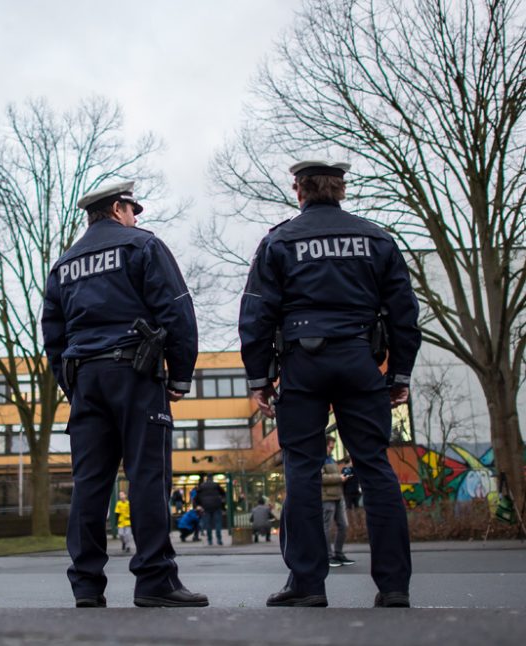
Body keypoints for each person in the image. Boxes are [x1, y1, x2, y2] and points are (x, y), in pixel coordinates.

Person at [239, 160, 421, 608]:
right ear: (341, 190)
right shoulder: (376, 238)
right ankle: (394, 586)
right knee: (375, 468)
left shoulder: (279, 240)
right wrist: (398, 375)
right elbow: (404, 312)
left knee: (302, 469)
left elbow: (257, 313)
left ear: (298, 190)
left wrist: (260, 377)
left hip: (302, 363)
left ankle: (307, 585)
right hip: (360, 360)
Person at [42, 180, 207, 609]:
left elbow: (53, 334)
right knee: (147, 475)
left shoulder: (64, 263)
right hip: (134, 372)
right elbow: (176, 309)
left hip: (85, 379)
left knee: (90, 483)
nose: (136, 218)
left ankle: (86, 586)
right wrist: (180, 375)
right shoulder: (142, 246)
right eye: (133, 209)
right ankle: (155, 579)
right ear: (118, 208)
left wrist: (70, 382)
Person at [322, 437, 354, 567]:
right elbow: (321, 477)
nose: (331, 449)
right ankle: (328, 556)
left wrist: (345, 471)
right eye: (330, 447)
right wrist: (339, 478)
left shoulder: (332, 459)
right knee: (326, 527)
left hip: (338, 496)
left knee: (343, 525)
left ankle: (338, 553)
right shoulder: (319, 459)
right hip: (326, 497)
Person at [195, 474, 225, 546]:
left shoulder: (202, 486)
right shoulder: (216, 485)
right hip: (216, 506)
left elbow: (196, 497)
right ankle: (219, 539)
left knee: (208, 524)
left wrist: (199, 505)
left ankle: (210, 540)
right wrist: (221, 503)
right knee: (218, 523)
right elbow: (223, 493)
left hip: (206, 507)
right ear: (212, 478)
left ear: (206, 478)